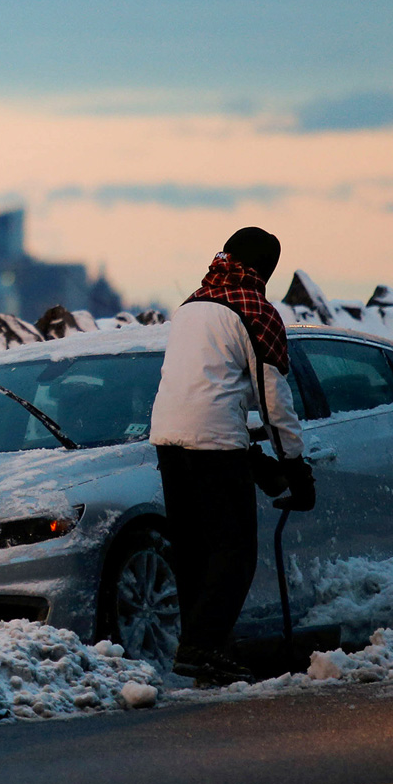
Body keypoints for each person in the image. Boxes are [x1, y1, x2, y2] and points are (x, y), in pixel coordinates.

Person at [149, 227, 312, 686]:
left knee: (194, 551)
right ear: (266, 268)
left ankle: (210, 651)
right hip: (213, 444)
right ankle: (198, 649)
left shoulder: (192, 305)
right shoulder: (254, 309)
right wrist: (296, 467)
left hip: (167, 437)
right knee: (235, 553)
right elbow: (274, 400)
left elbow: (208, 385)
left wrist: (255, 457)